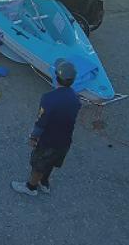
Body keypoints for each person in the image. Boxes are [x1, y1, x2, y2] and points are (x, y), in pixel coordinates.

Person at [11, 59, 81, 197]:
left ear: (56, 77)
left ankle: (31, 187)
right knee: (52, 162)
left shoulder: (49, 99)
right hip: (65, 140)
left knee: (39, 164)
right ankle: (44, 182)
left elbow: (41, 122)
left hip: (48, 140)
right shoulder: (75, 98)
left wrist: (33, 137)